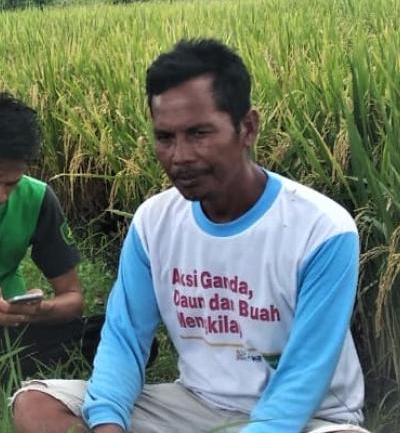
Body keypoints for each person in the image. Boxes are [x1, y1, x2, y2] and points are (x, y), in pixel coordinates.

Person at [12, 39, 369, 433]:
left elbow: (304, 374)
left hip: (308, 418)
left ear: (248, 128)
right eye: (165, 137)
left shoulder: (322, 230)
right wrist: (108, 423)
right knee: (37, 405)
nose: (179, 156)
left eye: (199, 133)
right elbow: (124, 340)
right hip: (197, 404)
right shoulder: (153, 223)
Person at [0, 92, 105, 385]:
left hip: (11, 330)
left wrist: (37, 311)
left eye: (10, 183)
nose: (2, 196)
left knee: (103, 334)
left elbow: (72, 299)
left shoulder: (37, 199)